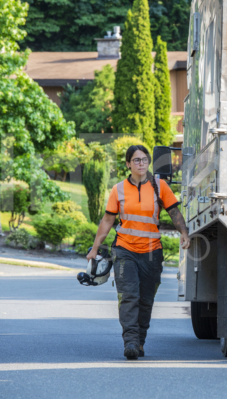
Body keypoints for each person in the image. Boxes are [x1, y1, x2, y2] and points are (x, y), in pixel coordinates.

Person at [87, 145, 191, 360]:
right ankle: (131, 342)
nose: (141, 163)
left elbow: (174, 211)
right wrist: (95, 248)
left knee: (145, 300)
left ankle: (140, 341)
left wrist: (184, 233)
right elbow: (108, 220)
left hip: (152, 252)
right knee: (128, 296)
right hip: (125, 250)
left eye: (144, 160)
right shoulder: (119, 189)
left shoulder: (160, 187)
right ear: (128, 164)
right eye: (136, 160)